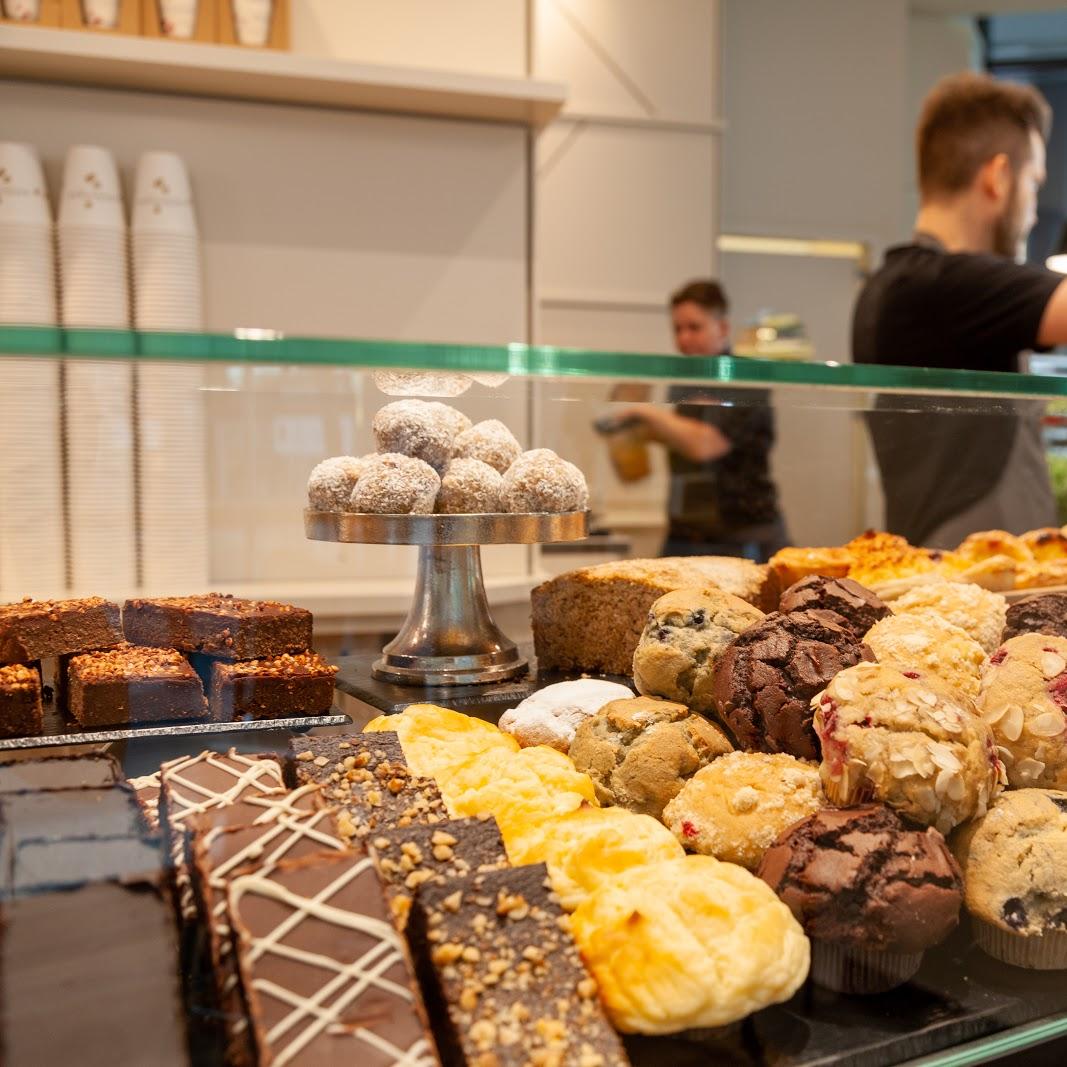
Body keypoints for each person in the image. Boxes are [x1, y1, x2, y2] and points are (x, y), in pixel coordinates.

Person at [853, 72, 1067, 548]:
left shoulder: (899, 283)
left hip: (968, 573)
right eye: (1033, 184)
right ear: (998, 177)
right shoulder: (940, 286)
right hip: (977, 581)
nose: (1034, 212)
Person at [615, 279, 788, 563]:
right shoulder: (683, 383)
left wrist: (646, 412)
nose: (683, 338)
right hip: (685, 533)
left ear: (722, 328)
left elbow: (706, 445)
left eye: (694, 327)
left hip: (742, 534)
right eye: (677, 329)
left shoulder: (746, 378)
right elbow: (684, 439)